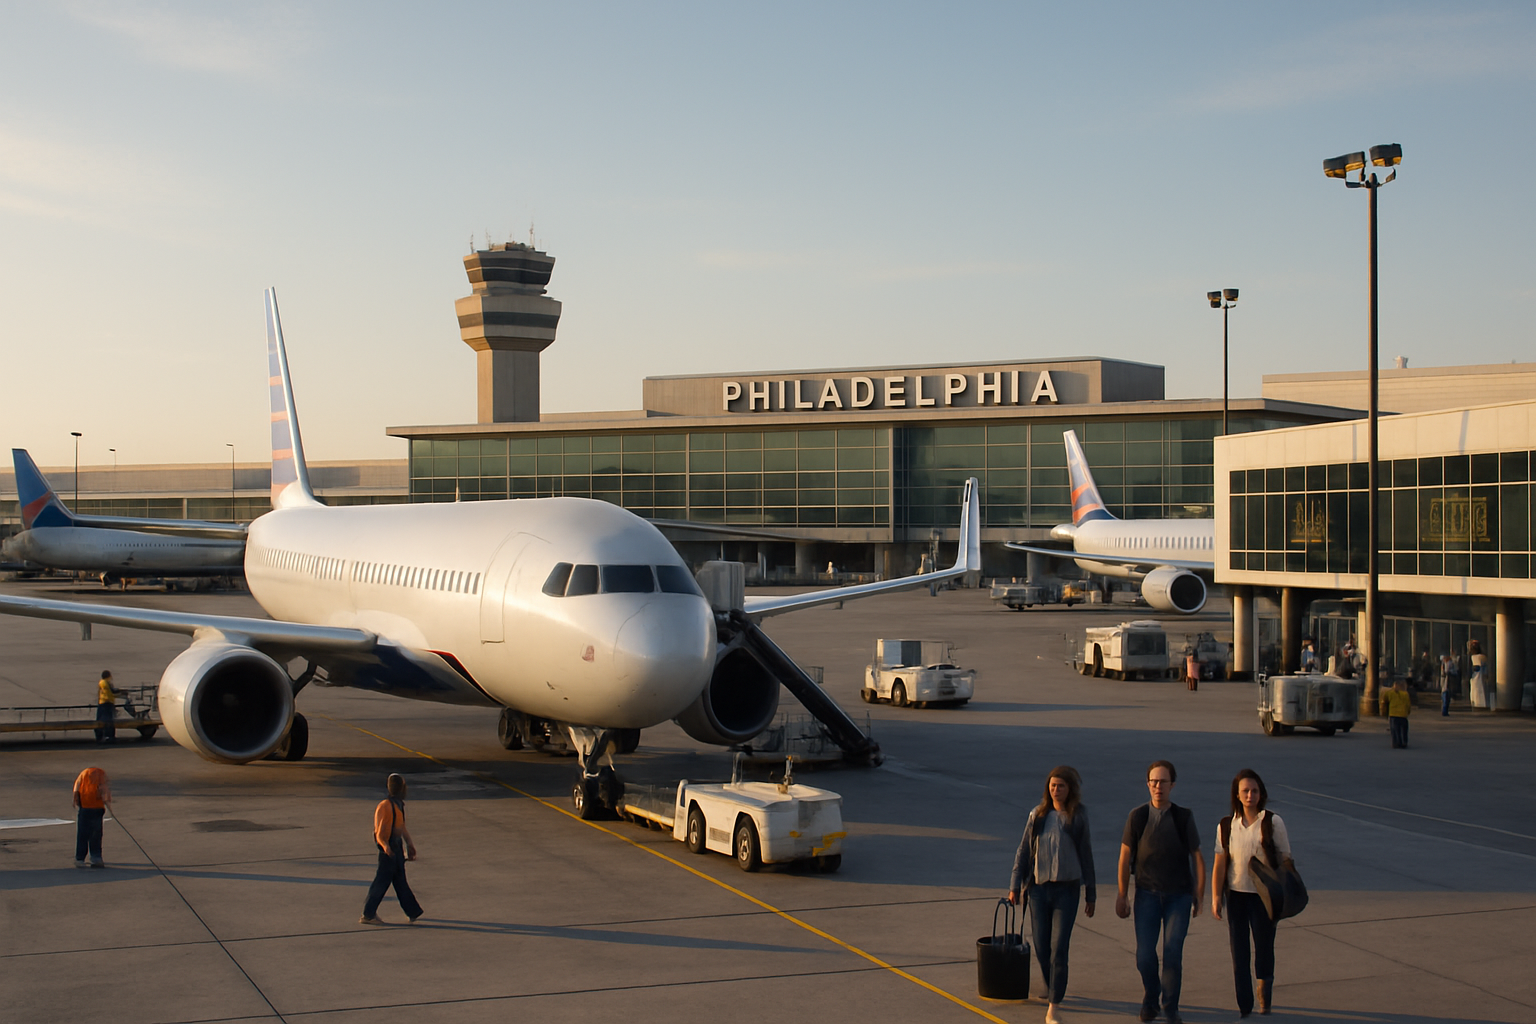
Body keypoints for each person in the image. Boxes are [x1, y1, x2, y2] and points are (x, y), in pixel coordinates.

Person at [1117, 760, 1205, 1024]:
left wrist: (1199, 893)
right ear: (1148, 784)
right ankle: (1151, 997)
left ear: (1172, 785)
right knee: (1144, 956)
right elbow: (1125, 856)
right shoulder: (1138, 816)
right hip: (1147, 895)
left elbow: (1197, 857)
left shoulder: (1183, 817)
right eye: (1153, 782)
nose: (1158, 786)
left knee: (1172, 952)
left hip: (1179, 896)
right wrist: (1122, 894)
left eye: (1163, 782)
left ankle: (1170, 1007)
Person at [1007, 766, 1097, 1024]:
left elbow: (1086, 854)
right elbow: (1024, 850)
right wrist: (1015, 885)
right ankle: (1051, 983)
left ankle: (1054, 1005)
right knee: (1041, 945)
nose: (1056, 790)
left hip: (1067, 891)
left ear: (1070, 790)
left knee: (1059, 948)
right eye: (1053, 785)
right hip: (1038, 889)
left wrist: (1091, 893)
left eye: (1061, 786)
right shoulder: (1038, 815)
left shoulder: (1077, 816)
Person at [1212, 769, 1292, 1018]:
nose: (1250, 795)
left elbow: (1286, 858)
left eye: (1254, 791)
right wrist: (1216, 896)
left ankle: (1264, 991)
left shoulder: (1272, 822)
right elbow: (1220, 862)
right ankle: (1244, 1004)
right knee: (1239, 951)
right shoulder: (1227, 825)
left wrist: (1282, 886)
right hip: (1236, 894)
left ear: (1261, 794)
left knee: (1264, 946)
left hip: (1263, 897)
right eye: (1245, 791)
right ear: (1237, 794)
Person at [361, 773, 423, 925]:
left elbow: (401, 827)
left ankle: (413, 911)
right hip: (389, 850)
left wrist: (409, 844)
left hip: (396, 847)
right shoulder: (386, 806)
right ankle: (368, 915)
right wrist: (386, 848)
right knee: (381, 882)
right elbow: (380, 832)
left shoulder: (398, 805)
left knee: (400, 881)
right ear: (400, 788)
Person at [72, 765, 112, 868]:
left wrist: (75, 801)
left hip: (85, 808)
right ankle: (96, 858)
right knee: (96, 834)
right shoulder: (100, 775)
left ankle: (80, 858)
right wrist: (108, 805)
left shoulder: (83, 775)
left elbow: (76, 789)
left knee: (82, 834)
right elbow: (104, 790)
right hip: (97, 809)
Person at [94, 670, 123, 744]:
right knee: (108, 721)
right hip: (106, 703)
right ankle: (108, 737)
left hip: (104, 703)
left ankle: (101, 736)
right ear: (108, 676)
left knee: (102, 720)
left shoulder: (104, 682)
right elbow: (110, 692)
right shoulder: (104, 683)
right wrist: (119, 693)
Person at [1385, 678, 1412, 748]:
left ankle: (1396, 743)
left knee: (1395, 730)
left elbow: (1385, 700)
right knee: (1403, 730)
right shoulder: (1405, 694)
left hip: (1393, 714)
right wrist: (1408, 712)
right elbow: (1408, 704)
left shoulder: (1390, 693)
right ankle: (1404, 742)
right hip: (1403, 715)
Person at [1468, 640, 1489, 708]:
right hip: (1479, 675)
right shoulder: (1482, 657)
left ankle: (1477, 703)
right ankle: (1480, 703)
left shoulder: (1474, 657)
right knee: (1480, 689)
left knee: (1476, 689)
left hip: (1476, 675)